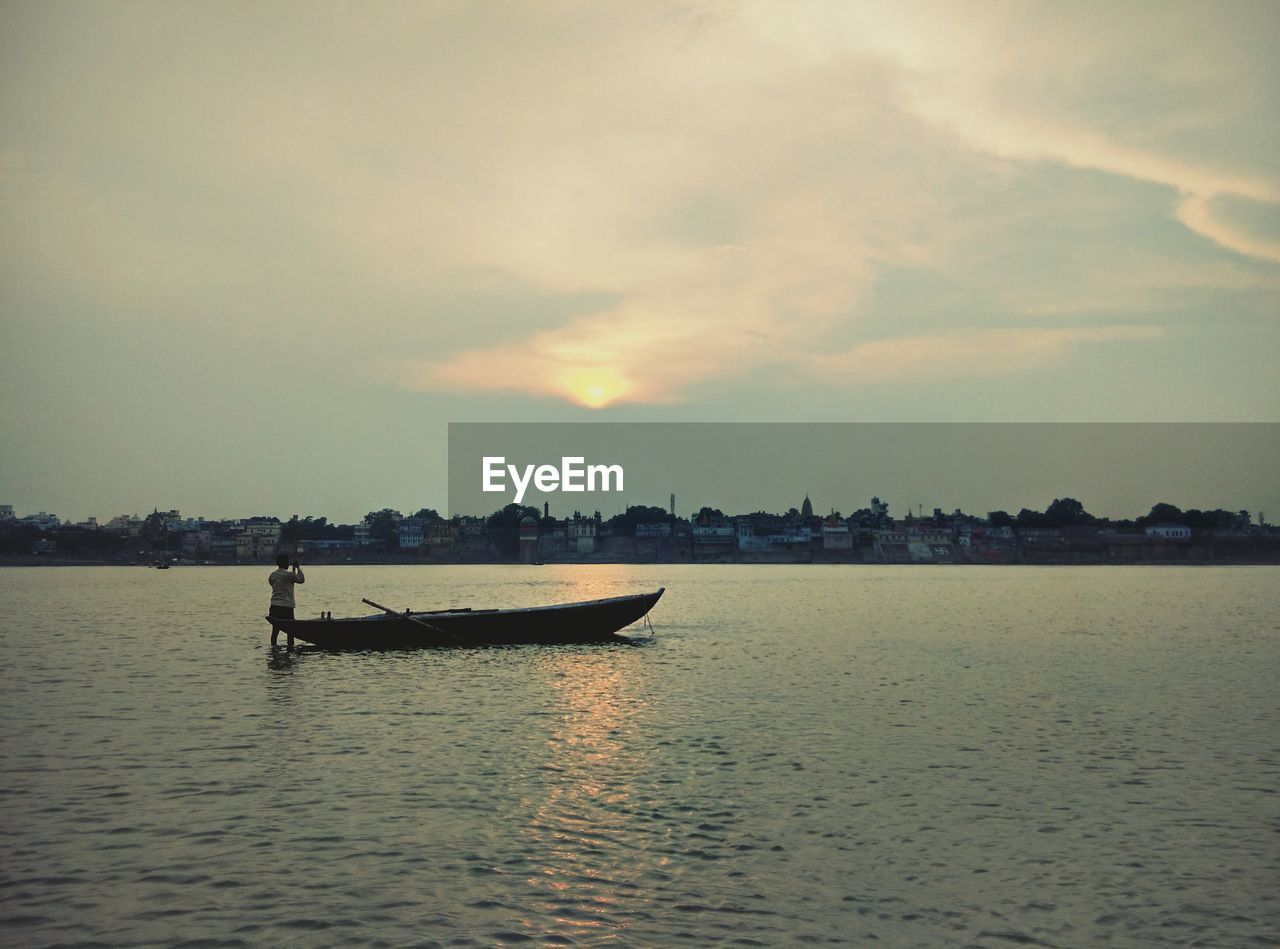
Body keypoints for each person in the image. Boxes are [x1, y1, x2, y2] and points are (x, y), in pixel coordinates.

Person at [268, 553, 305, 649]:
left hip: (274, 605)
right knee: (290, 630)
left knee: (275, 630)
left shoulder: (273, 575)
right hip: (286, 606)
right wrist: (297, 568)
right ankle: (290, 648)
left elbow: (272, 583)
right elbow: (301, 580)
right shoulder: (289, 575)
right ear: (286, 564)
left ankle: (273, 647)